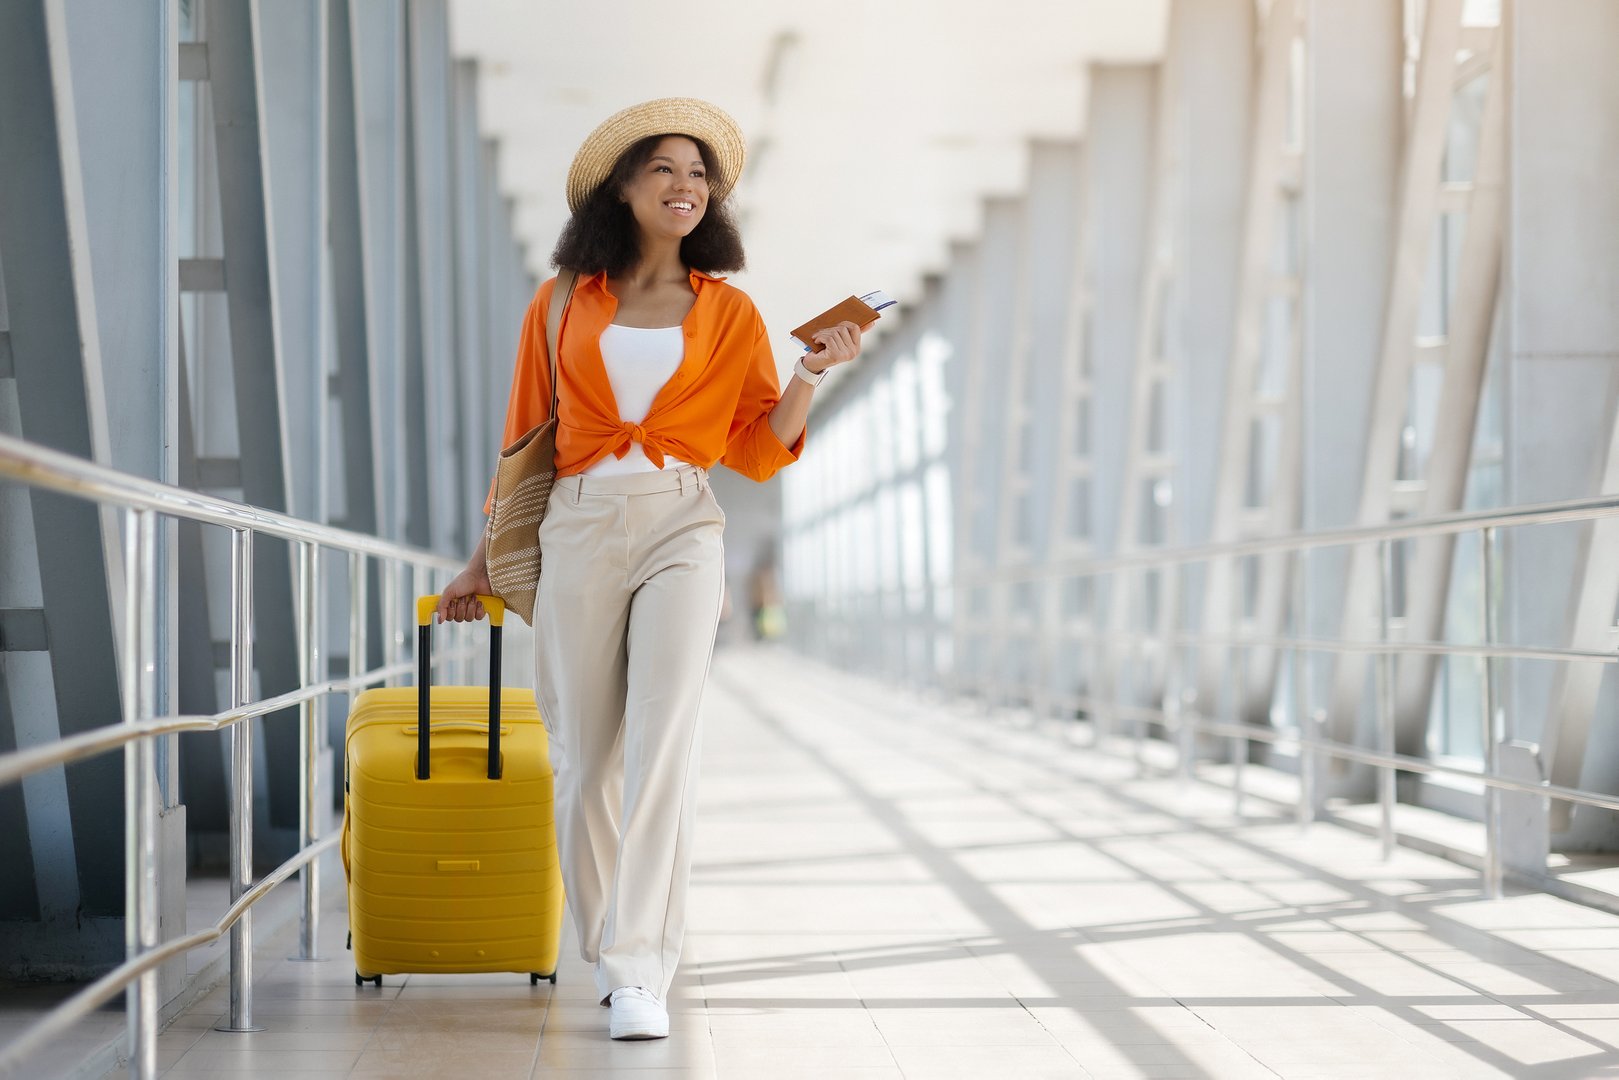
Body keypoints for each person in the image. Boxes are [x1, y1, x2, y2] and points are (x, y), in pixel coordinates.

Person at [434, 98, 862, 1041]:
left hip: (682, 525)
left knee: (662, 745)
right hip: (578, 528)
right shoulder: (557, 304)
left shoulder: (730, 312)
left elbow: (755, 451)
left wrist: (808, 376)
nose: (686, 186)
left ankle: (639, 970)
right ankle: (607, 949)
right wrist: (480, 564)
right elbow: (522, 447)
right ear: (620, 187)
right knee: (584, 761)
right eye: (665, 169)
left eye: (700, 174)